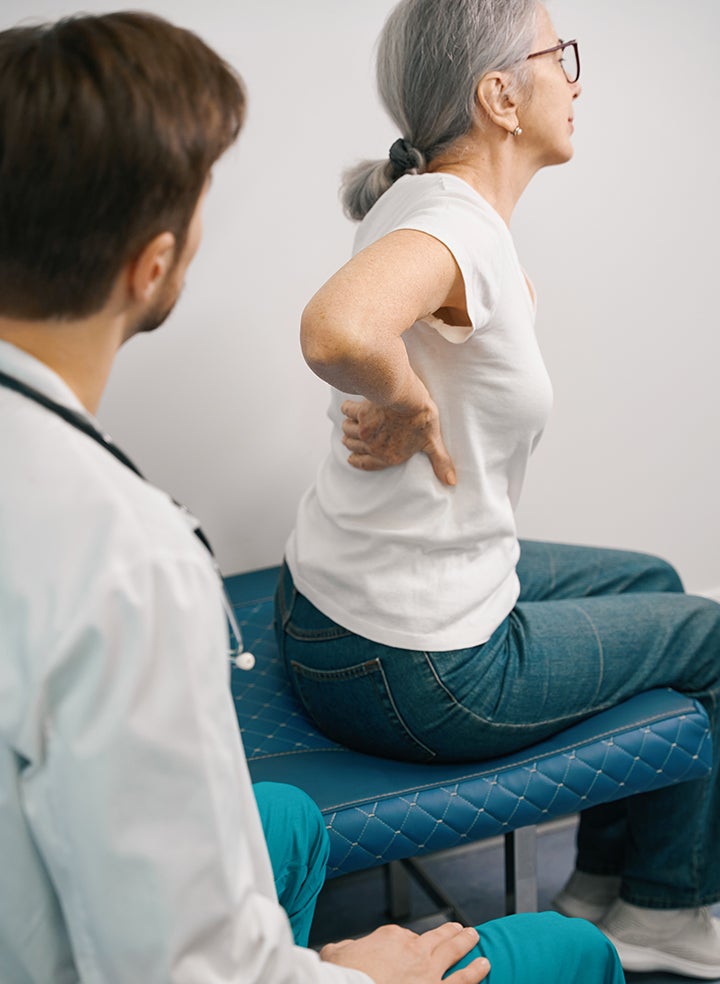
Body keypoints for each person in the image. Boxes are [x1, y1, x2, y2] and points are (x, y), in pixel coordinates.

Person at [0, 9, 625, 984]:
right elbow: (168, 968)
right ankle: (655, 920)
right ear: (152, 266)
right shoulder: (132, 563)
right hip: (137, 940)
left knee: (284, 823)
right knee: (571, 950)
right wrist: (365, 973)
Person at [276, 0, 720, 978]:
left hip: (329, 618)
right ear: (499, 96)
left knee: (651, 574)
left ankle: (610, 884)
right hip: (417, 670)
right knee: (711, 637)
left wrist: (403, 394)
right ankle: (667, 914)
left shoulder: (425, 204)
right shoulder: (455, 228)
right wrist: (401, 400)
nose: (573, 75)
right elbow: (334, 329)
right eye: (559, 55)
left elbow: (365, 325)